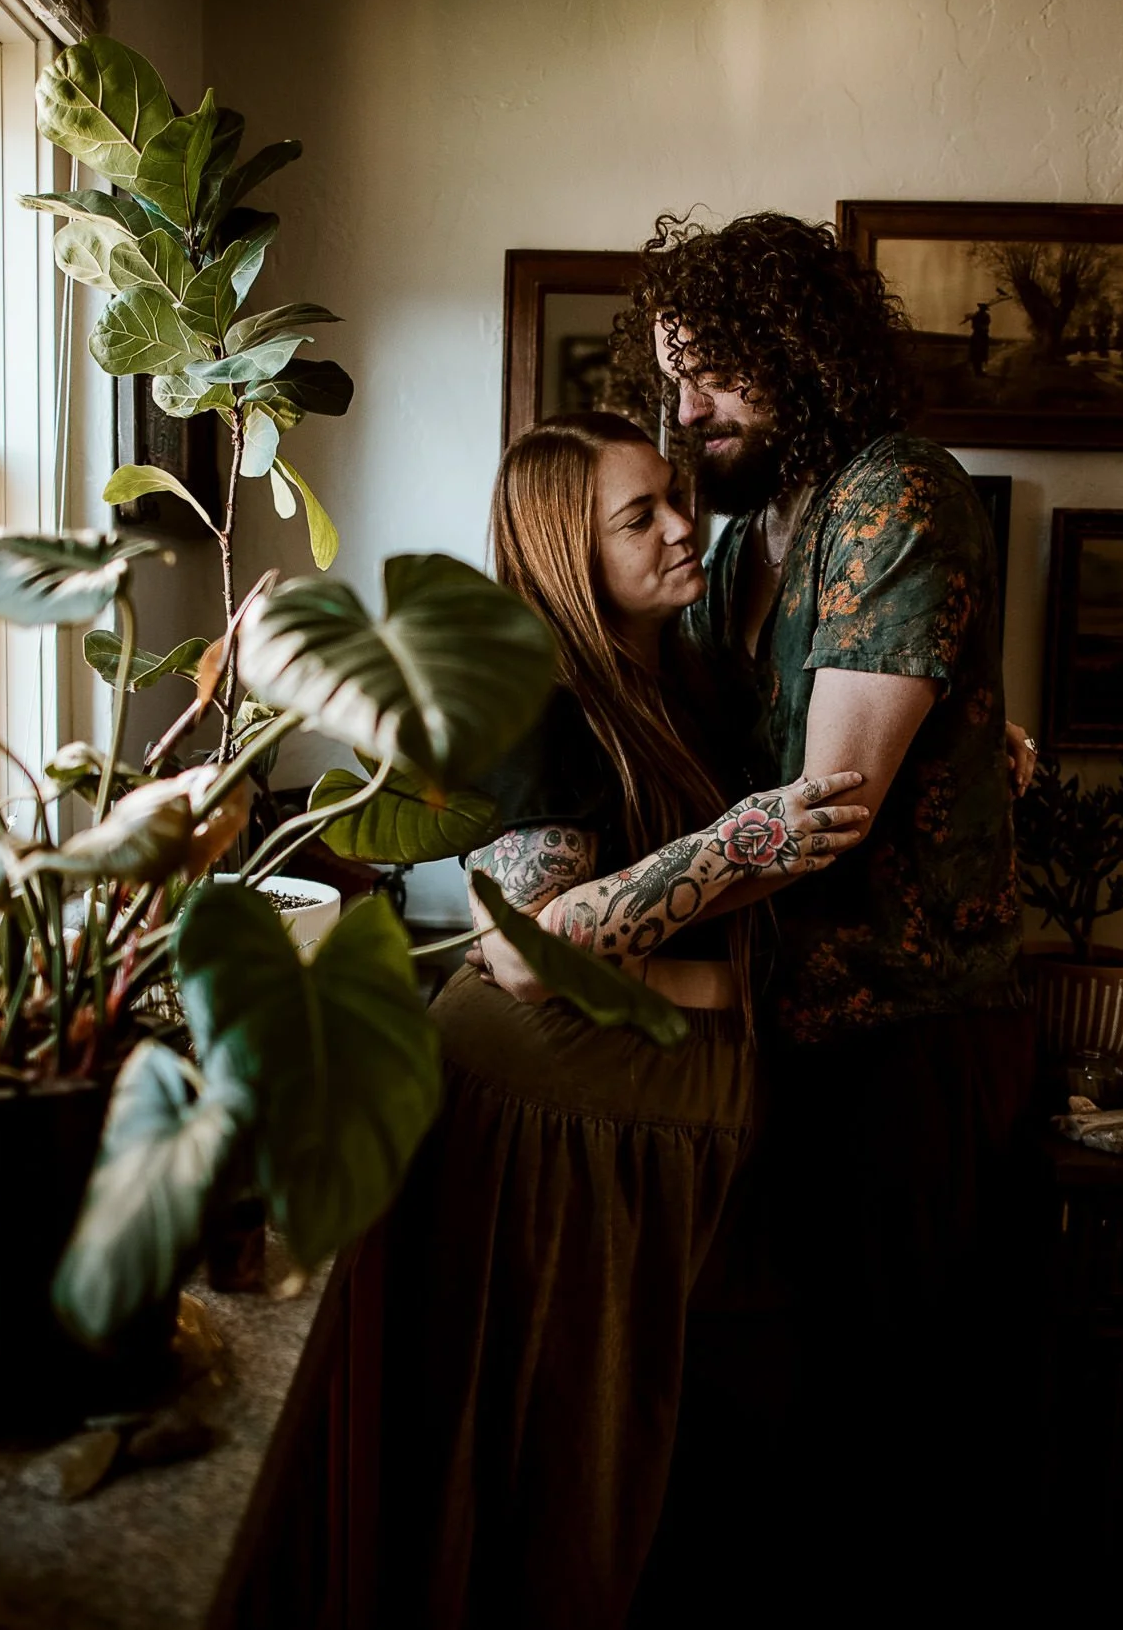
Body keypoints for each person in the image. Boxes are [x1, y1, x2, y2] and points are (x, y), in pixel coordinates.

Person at [379, 411, 872, 1630]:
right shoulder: (535, 698)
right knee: (573, 1456)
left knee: (684, 1450)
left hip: (666, 1114)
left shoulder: (685, 673)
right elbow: (527, 945)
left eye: (675, 497)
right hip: (560, 1123)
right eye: (635, 515)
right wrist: (735, 856)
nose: (677, 525)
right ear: (562, 549)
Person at [617, 210, 1037, 1606]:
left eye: (717, 370)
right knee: (772, 1404)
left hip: (906, 1032)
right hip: (779, 1023)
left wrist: (597, 917)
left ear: (803, 352)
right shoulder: (743, 544)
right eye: (675, 377)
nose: (689, 410)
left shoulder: (895, 493)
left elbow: (831, 801)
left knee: (890, 1416)